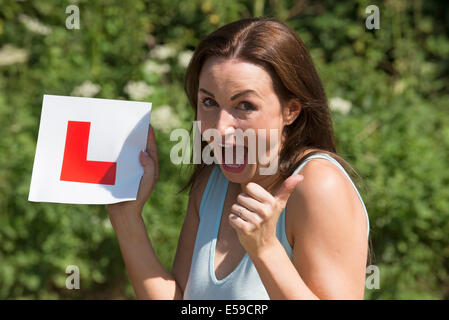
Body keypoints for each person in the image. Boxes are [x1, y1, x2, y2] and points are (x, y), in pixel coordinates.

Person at [107, 17, 371, 300]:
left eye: (244, 106)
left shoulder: (318, 186)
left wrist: (266, 250)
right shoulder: (211, 181)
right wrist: (126, 217)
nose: (220, 128)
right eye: (209, 102)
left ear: (291, 111)